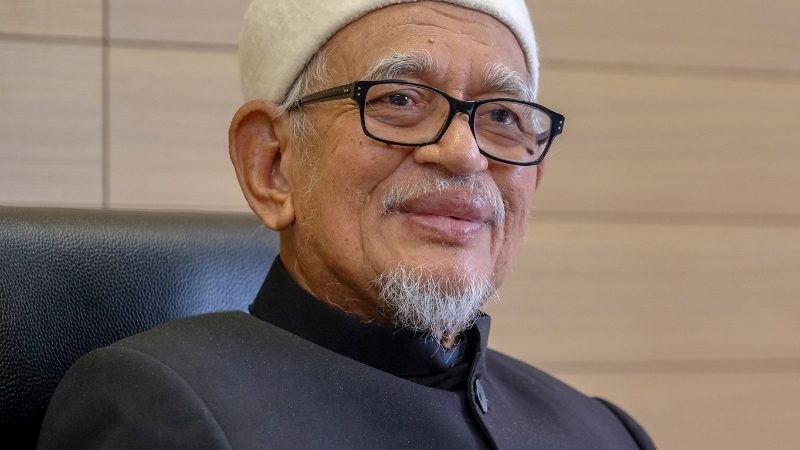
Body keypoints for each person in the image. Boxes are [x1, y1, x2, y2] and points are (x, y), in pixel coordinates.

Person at [37, 1, 655, 448]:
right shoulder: (160, 410)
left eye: (501, 116)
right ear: (272, 166)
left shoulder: (606, 433)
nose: (466, 155)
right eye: (400, 99)